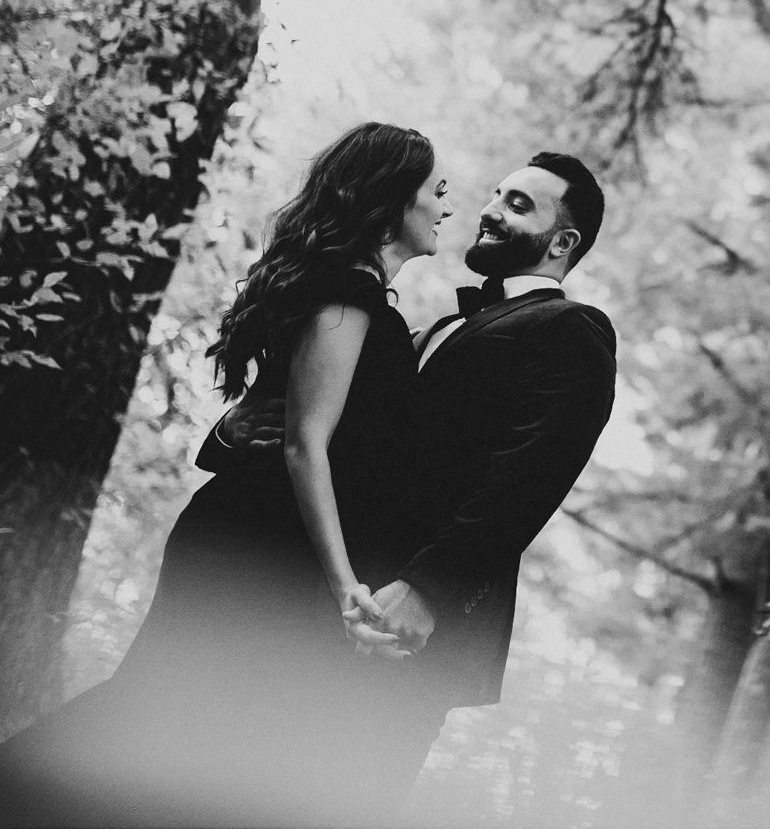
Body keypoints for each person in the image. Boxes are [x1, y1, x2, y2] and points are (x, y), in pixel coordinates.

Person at [0, 122, 455, 827]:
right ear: (392, 199)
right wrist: (347, 589)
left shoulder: (347, 293)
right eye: (436, 189)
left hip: (263, 544)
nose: (445, 205)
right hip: (255, 549)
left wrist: (242, 438)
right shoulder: (348, 296)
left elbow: (270, 421)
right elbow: (306, 445)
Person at [198, 150, 618, 810]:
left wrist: (428, 592)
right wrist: (235, 433)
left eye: (518, 205)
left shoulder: (573, 331)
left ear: (562, 243)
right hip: (346, 605)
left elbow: (528, 479)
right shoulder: (442, 327)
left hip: (416, 627)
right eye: (497, 193)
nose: (490, 210)